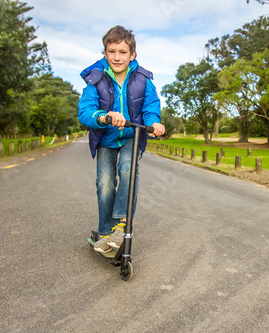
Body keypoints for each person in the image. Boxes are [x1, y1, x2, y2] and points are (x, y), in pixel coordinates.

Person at [78, 26, 165, 253]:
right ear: (105, 53)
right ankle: (106, 233)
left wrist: (154, 122)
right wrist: (103, 116)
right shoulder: (95, 79)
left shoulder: (143, 79)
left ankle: (121, 225)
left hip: (131, 137)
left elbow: (151, 107)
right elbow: (85, 111)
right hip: (106, 138)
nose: (117, 57)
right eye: (112, 51)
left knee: (127, 168)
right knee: (104, 183)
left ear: (132, 54)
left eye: (123, 52)